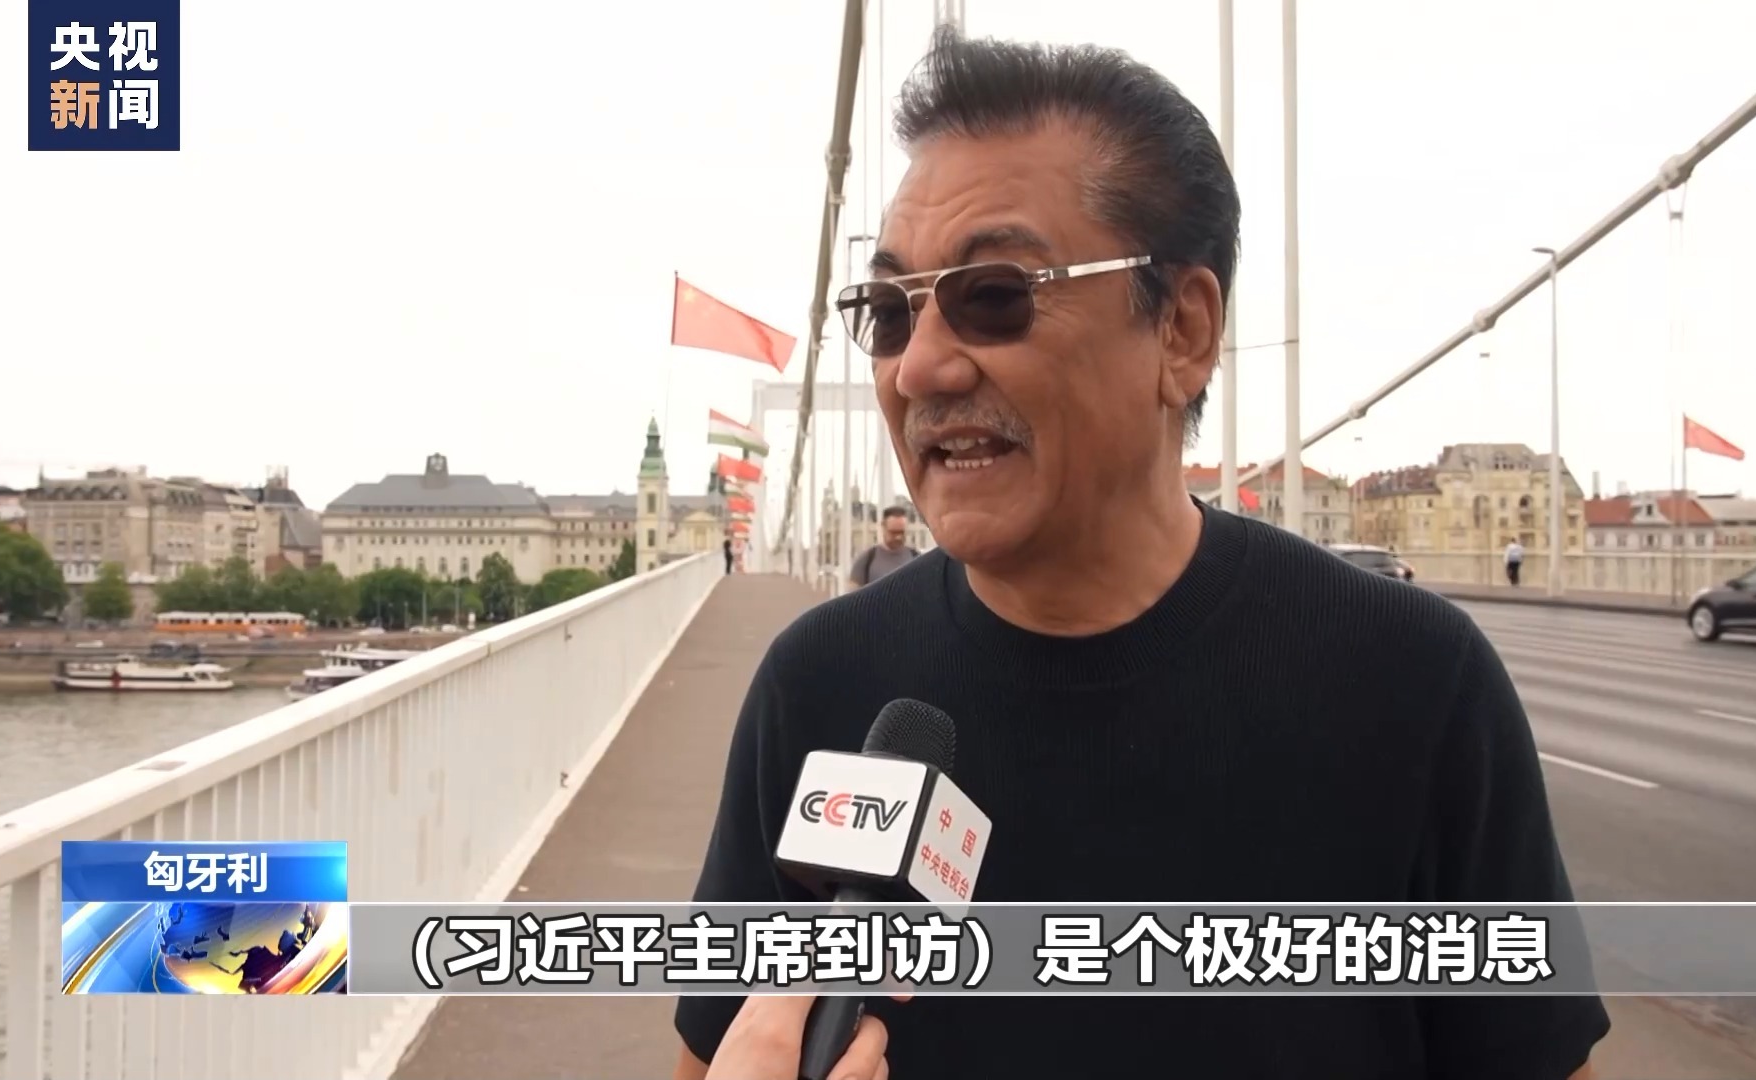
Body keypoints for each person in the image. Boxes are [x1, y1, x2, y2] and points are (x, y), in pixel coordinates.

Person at [677, 26, 1606, 1080]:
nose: (920, 368)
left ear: (1182, 331)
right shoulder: (817, 686)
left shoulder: (1414, 683)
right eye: (889, 312)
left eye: (995, 295)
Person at [848, 505, 920, 588]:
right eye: (893, 532)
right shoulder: (867, 560)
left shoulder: (916, 558)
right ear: (883, 527)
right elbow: (853, 592)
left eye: (901, 532)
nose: (898, 537)